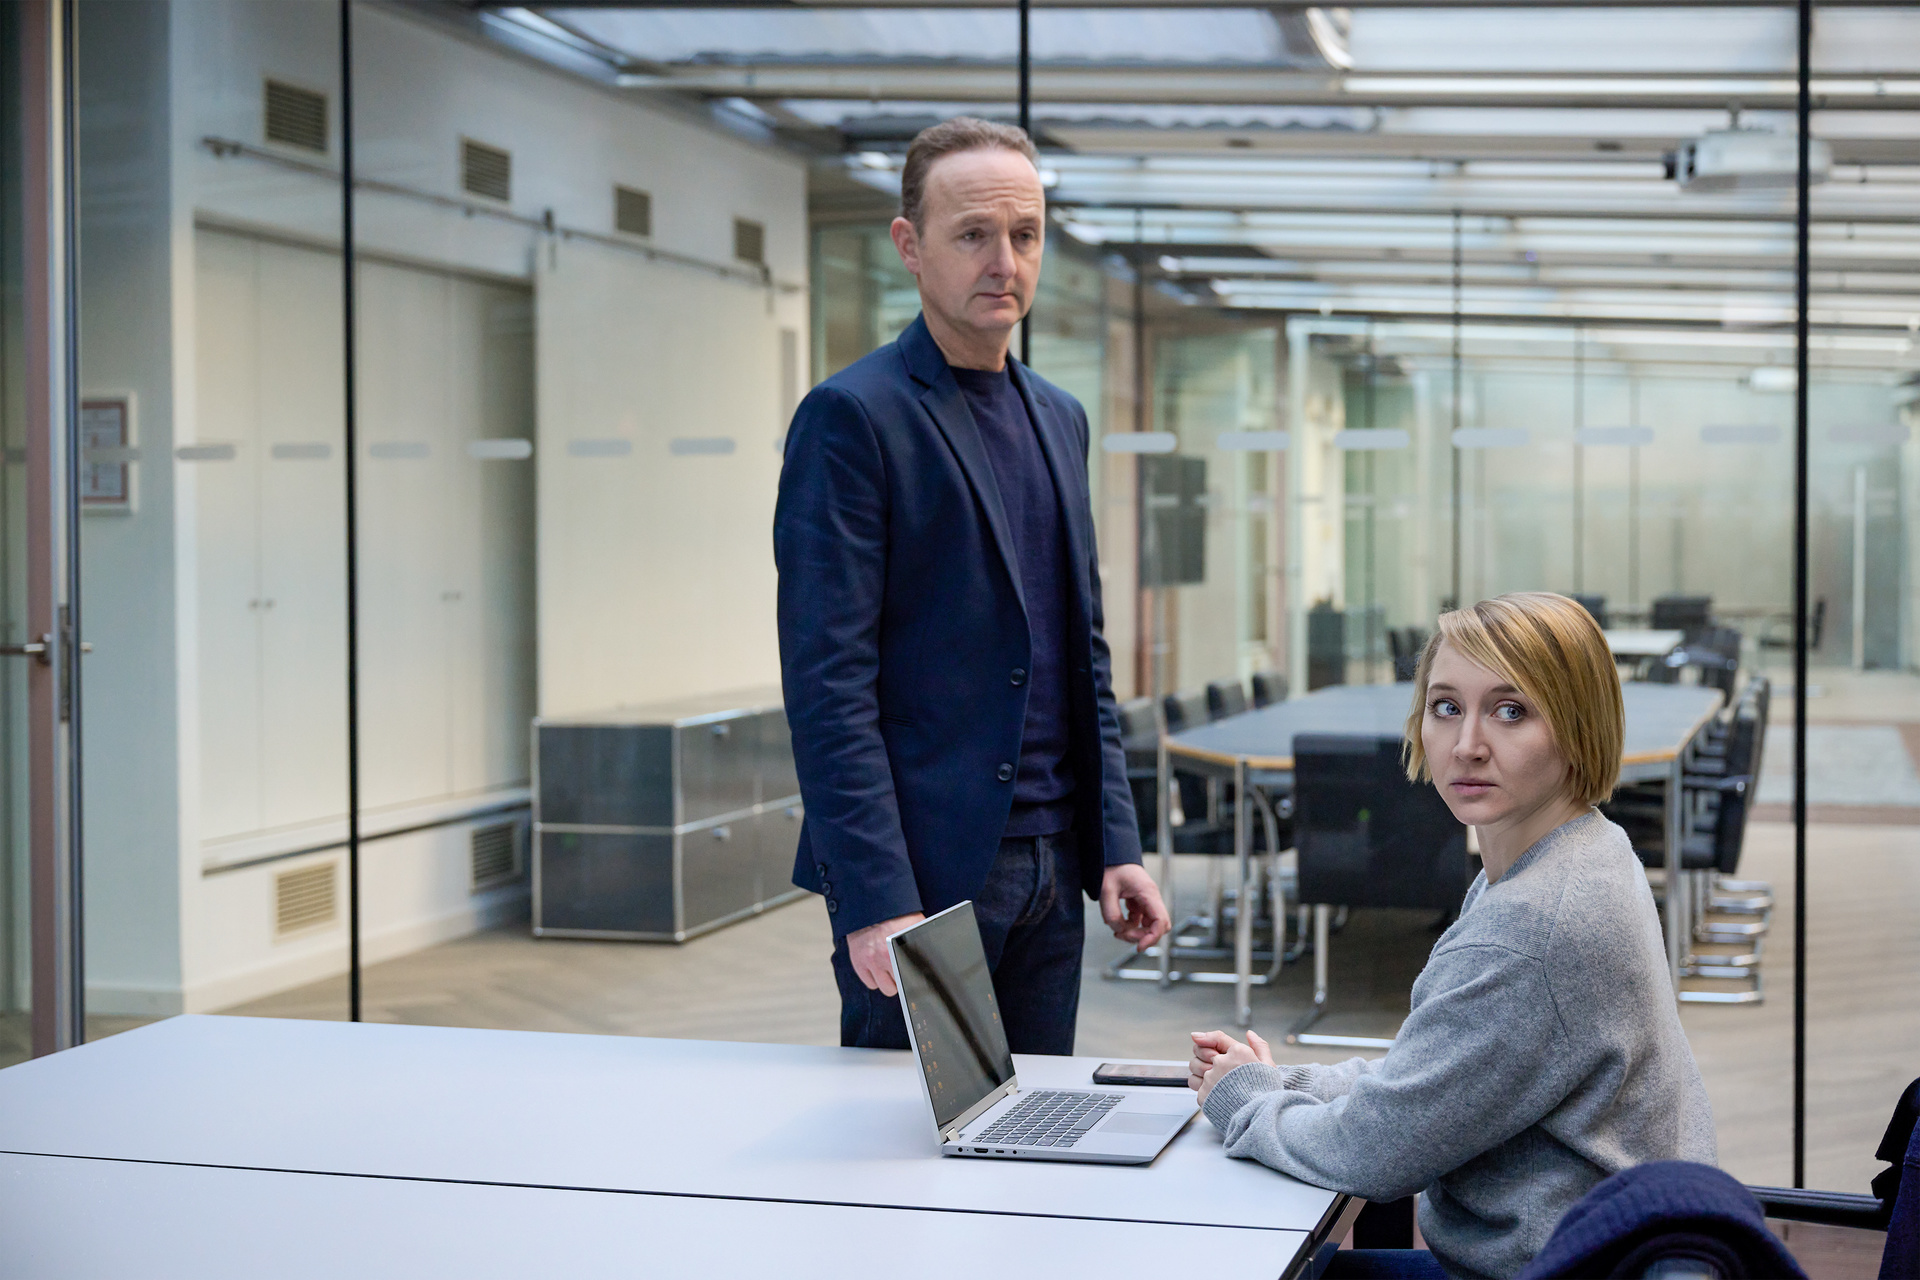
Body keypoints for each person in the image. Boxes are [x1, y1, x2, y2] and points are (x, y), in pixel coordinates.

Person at [774, 117, 1170, 1056]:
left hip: (1052, 866)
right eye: (973, 235)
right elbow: (829, 684)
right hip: (926, 877)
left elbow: (1083, 656)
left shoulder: (1059, 418)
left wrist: (1115, 843)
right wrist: (875, 896)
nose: (1005, 262)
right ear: (910, 246)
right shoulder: (853, 417)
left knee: (1033, 1127)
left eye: (1025, 235)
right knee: (911, 1137)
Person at [1187, 592, 1715, 1280]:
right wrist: (1285, 1080)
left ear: (1576, 725)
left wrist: (1245, 1101)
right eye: (1445, 707)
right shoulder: (1582, 850)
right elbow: (1433, 1075)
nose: (1467, 745)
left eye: (1510, 711)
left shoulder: (1531, 925)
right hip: (1604, 1250)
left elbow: (1371, 1155)